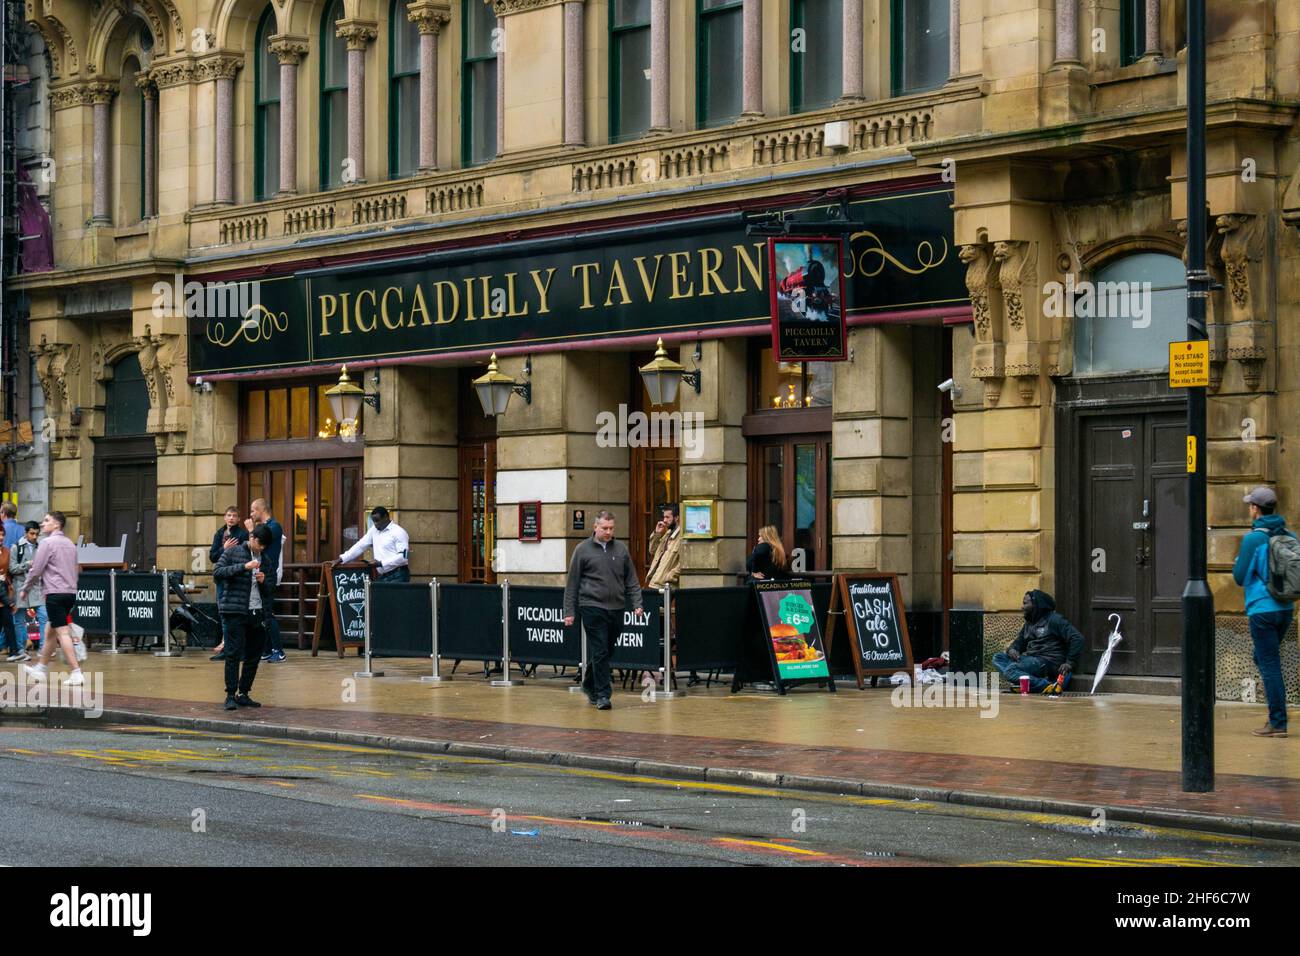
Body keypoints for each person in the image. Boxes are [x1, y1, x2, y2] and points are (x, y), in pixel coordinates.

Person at [1233, 486, 1297, 738]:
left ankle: (1278, 722)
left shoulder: (1253, 539)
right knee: (1263, 659)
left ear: (1255, 509)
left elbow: (1239, 577)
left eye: (1251, 505)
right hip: (1286, 607)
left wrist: (1240, 562)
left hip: (1262, 609)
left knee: (1269, 664)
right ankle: (1278, 714)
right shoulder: (1289, 535)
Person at [563, 510, 642, 711]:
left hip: (616, 607)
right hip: (592, 606)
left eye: (611, 528)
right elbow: (572, 583)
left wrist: (637, 603)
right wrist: (569, 611)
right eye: (605, 528)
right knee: (599, 650)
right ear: (595, 527)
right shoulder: (582, 550)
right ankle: (603, 695)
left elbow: (631, 579)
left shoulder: (621, 549)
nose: (608, 532)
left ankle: (588, 684)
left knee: (606, 651)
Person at [213, 523, 274, 711]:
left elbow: (270, 589)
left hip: (257, 612)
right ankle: (230, 695)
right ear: (253, 538)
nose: (262, 549)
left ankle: (244, 693)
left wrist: (264, 582)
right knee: (233, 653)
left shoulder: (266, 560)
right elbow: (217, 573)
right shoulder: (233, 552)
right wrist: (243, 567)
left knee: (254, 656)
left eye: (264, 547)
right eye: (260, 544)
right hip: (235, 611)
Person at [21, 511, 85, 686]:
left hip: (55, 594)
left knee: (62, 632)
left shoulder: (47, 543)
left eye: (47, 520)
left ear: (57, 524)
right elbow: (77, 569)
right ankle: (41, 669)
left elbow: (36, 570)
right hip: (70, 593)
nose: (43, 524)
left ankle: (76, 672)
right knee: (50, 630)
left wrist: (25, 589)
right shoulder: (70, 545)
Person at [992, 590, 1085, 695]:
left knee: (1010, 671)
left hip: (1048, 662)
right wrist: (1013, 649)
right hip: (1031, 660)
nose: (1022, 607)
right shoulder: (1029, 623)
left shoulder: (1055, 619)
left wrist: (1069, 662)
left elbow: (1077, 638)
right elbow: (1019, 642)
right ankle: (1032, 684)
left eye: (1025, 603)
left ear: (1036, 604)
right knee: (998, 657)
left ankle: (1047, 685)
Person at [245, 498, 286, 663]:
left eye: (253, 510)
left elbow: (255, 544)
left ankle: (279, 650)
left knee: (268, 613)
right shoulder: (264, 527)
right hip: (260, 571)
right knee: (263, 613)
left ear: (260, 510)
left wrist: (251, 530)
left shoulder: (274, 527)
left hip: (268, 573)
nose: (251, 514)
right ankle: (268, 649)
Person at [208, 507, 248, 661]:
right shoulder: (219, 533)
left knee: (235, 615)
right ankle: (226, 647)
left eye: (235, 516)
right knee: (222, 614)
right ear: (224, 517)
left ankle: (235, 649)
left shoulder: (242, 534)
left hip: (235, 579)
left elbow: (243, 555)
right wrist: (223, 549)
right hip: (220, 578)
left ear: (238, 519)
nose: (231, 518)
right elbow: (213, 556)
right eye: (229, 515)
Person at [339, 506, 410, 582]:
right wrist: (342, 558)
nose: (375, 524)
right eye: (373, 521)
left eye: (377, 520)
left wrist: (381, 563)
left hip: (398, 575)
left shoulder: (399, 532)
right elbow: (361, 545)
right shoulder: (374, 530)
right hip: (383, 576)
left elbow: (404, 557)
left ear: (386, 517)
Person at [9, 521, 46, 660]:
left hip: (36, 587)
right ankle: (20, 649)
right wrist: (27, 565)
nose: (35, 536)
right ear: (26, 533)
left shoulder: (41, 547)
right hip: (20, 587)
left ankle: (43, 648)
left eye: (37, 534)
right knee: (19, 620)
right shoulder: (16, 547)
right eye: (32, 533)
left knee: (44, 616)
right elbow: (12, 568)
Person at [646, 503, 681, 591]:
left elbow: (684, 563)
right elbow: (652, 551)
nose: (664, 520)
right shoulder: (668, 533)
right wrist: (657, 533)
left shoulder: (681, 537)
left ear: (676, 518)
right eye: (664, 517)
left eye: (667, 517)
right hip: (653, 582)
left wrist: (669, 577)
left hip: (665, 585)